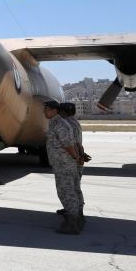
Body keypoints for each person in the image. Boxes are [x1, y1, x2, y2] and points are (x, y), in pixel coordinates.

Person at [43, 100, 83, 234]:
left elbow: (68, 144)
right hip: (63, 163)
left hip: (64, 164)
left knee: (66, 192)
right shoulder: (57, 123)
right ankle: (77, 219)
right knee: (71, 191)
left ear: (55, 110)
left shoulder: (60, 124)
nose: (44, 112)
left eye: (47, 109)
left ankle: (72, 224)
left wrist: (75, 157)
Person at [55, 102, 88, 223]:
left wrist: (75, 158)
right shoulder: (75, 122)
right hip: (77, 158)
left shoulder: (67, 124)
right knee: (75, 187)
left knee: (69, 189)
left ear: (63, 112)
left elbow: (71, 144)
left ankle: (74, 216)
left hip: (71, 160)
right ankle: (77, 212)